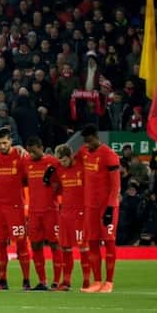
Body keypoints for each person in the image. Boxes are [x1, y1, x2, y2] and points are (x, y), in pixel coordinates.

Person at [0, 128, 31, 290]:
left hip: (15, 207)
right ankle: (2, 280)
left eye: (5, 142)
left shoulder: (21, 156)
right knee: (0, 244)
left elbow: (28, 179)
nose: (2, 146)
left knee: (21, 243)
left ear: (11, 141)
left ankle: (26, 280)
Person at [76, 125, 121, 293]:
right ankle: (97, 281)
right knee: (93, 242)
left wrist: (110, 208)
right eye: (85, 142)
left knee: (109, 242)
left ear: (96, 137)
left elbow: (116, 186)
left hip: (106, 207)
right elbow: (70, 161)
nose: (87, 145)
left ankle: (109, 282)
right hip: (90, 207)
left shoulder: (109, 155)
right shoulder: (84, 152)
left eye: (89, 141)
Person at [22, 138, 62, 290]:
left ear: (41, 147)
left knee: (54, 244)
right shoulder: (26, 162)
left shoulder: (53, 162)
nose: (31, 154)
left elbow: (61, 183)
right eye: (29, 151)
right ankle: (42, 281)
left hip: (51, 211)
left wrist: (52, 185)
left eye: (34, 151)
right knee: (36, 244)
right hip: (33, 211)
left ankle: (56, 281)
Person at [54, 145, 88, 290]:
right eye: (60, 160)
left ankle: (87, 281)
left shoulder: (82, 167)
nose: (62, 163)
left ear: (71, 156)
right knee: (65, 248)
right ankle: (66, 281)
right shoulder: (59, 169)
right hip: (65, 214)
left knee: (84, 248)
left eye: (65, 160)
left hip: (81, 214)